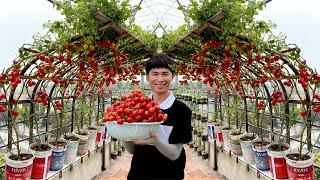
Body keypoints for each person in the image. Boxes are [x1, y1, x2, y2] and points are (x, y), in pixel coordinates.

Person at [124, 53, 192, 180]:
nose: (160, 79)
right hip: (138, 174)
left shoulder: (182, 111)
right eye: (155, 74)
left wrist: (155, 141)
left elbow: (174, 154)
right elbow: (133, 150)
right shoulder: (138, 108)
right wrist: (123, 136)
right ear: (148, 77)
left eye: (165, 74)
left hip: (170, 175)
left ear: (172, 76)